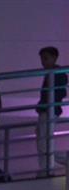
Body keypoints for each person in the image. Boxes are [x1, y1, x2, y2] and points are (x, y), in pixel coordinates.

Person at [36, 46, 68, 177]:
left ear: (54, 58)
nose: (43, 62)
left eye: (45, 58)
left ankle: (47, 169)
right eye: (42, 59)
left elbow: (60, 92)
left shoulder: (57, 73)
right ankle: (46, 169)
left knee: (44, 142)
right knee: (43, 141)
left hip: (49, 110)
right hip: (47, 109)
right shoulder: (53, 73)